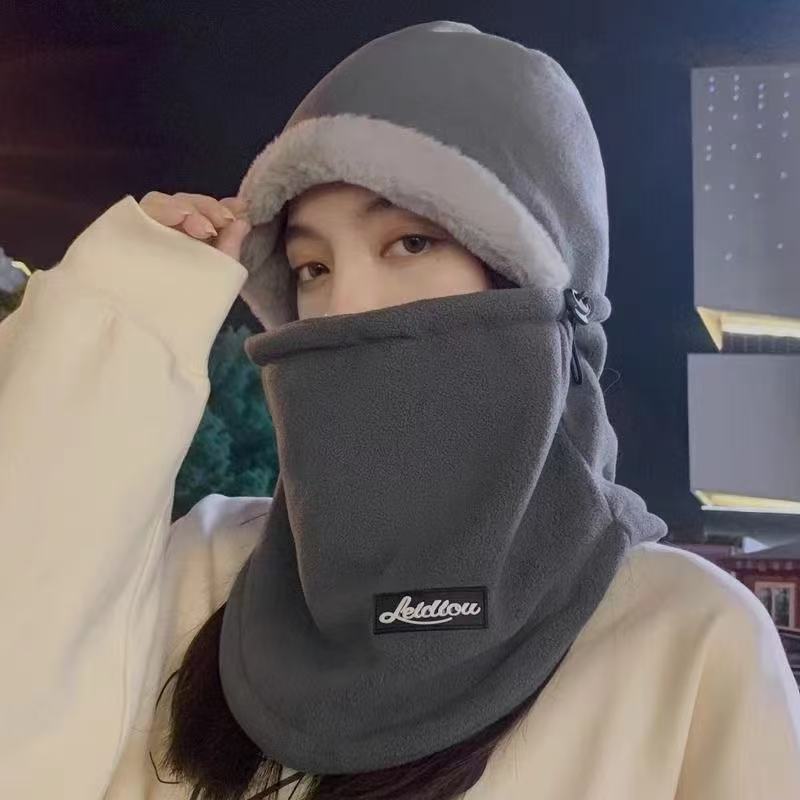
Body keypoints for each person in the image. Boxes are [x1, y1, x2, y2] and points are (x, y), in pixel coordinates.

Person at [1, 20, 799, 800]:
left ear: (544, 290)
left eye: (411, 243)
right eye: (311, 267)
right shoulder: (202, 570)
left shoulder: (689, 644)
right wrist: (117, 322)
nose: (345, 306)